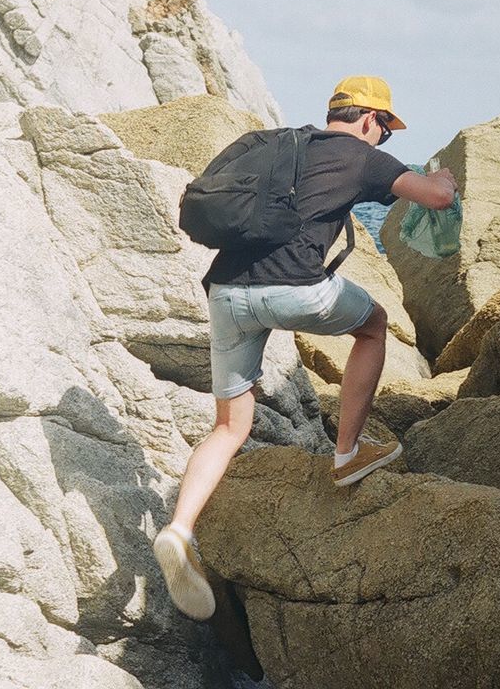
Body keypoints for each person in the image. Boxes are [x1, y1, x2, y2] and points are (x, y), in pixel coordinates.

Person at [154, 75, 457, 619]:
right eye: (384, 131)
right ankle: (347, 453)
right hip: (296, 291)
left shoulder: (286, 144)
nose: (381, 142)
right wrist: (444, 177)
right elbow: (435, 198)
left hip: (226, 292)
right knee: (373, 325)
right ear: (371, 119)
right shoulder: (361, 157)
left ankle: (180, 530)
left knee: (229, 427)